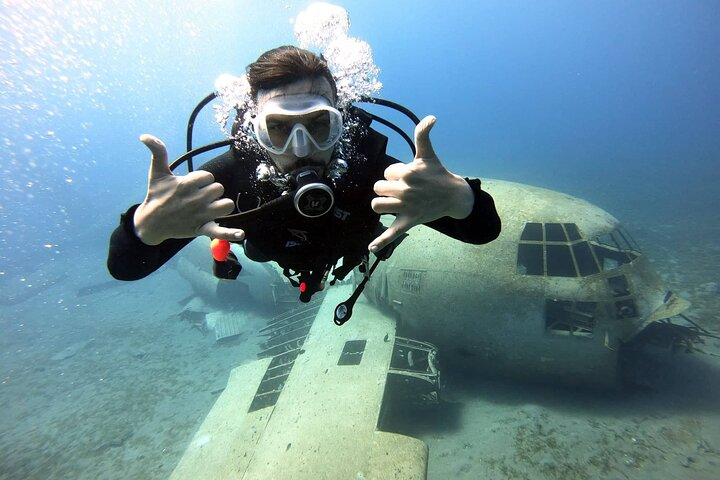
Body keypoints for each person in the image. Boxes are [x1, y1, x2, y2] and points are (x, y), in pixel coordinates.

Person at [107, 46, 501, 302]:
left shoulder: (372, 170)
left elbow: (485, 231)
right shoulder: (230, 177)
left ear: (342, 122)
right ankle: (218, 249)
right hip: (270, 254)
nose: (300, 148)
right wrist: (144, 228)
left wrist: (460, 198)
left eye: (318, 124)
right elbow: (124, 268)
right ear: (254, 130)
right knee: (222, 241)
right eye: (277, 128)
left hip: (345, 253)